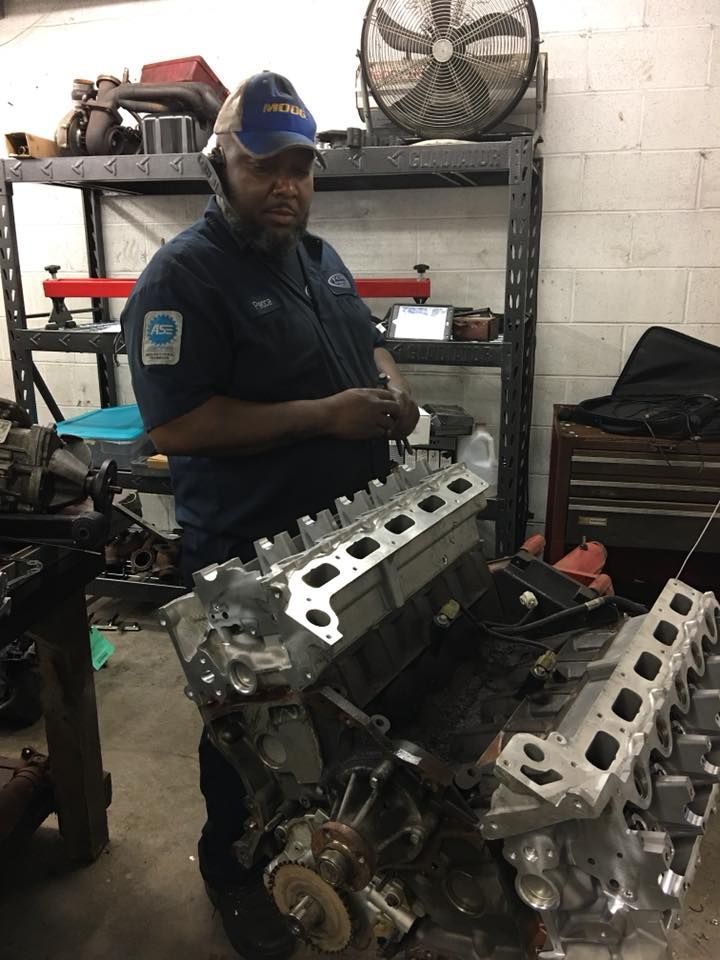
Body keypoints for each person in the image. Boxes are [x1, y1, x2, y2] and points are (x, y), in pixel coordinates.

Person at [122, 71, 419, 959]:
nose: (287, 185)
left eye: (301, 167)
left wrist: (395, 394)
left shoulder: (320, 261)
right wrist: (325, 416)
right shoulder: (182, 278)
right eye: (265, 168)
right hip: (247, 554)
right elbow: (173, 422)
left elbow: (366, 342)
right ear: (222, 167)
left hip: (344, 537)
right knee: (243, 729)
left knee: (332, 715)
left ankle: (333, 849)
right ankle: (232, 871)